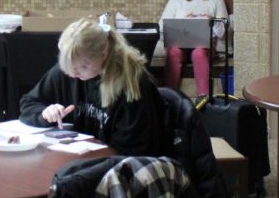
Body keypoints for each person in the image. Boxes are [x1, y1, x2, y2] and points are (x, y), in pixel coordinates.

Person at [19, 17, 170, 156]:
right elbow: (28, 103)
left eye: (83, 67)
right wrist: (45, 114)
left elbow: (133, 151)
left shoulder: (131, 84)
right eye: (68, 66)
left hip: (123, 167)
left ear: (103, 54)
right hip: (81, 159)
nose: (73, 74)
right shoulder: (68, 71)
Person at [160, 0, 228, 98]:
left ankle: (203, 98)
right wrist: (183, 20)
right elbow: (162, 25)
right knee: (173, 52)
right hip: (179, 44)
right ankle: (168, 97)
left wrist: (211, 21)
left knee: (198, 52)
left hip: (205, 47)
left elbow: (222, 33)